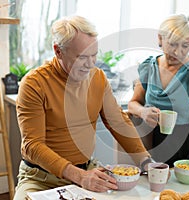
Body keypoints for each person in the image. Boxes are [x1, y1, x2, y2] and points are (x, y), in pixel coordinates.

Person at [14, 15, 154, 199]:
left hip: (88, 170)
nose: (90, 64)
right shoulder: (34, 84)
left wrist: (146, 162)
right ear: (58, 51)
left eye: (94, 55)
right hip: (40, 178)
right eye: (81, 57)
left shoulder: (98, 78)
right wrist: (79, 176)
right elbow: (33, 145)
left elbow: (118, 122)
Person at [127, 14, 189, 177]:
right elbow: (133, 104)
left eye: (185, 46)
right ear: (160, 39)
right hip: (157, 141)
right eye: (172, 44)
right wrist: (143, 112)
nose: (178, 52)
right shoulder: (148, 67)